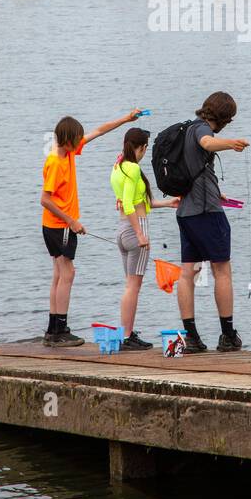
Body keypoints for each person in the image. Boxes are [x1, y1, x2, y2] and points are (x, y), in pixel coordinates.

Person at [41, 107, 143, 347]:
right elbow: (45, 199)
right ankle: (60, 330)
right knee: (68, 273)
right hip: (59, 226)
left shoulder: (68, 152)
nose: (81, 143)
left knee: (59, 273)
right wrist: (71, 221)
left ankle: (53, 328)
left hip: (55, 226)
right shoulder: (56, 162)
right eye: (77, 139)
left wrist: (126, 119)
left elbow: (99, 130)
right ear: (67, 140)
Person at [175, 91, 249, 354]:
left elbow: (197, 167)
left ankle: (191, 336)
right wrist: (232, 144)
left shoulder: (186, 128)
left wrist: (216, 191)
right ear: (226, 117)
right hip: (206, 212)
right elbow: (207, 143)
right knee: (222, 271)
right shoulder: (203, 130)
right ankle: (228, 335)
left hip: (186, 212)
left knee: (187, 273)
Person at [111, 127, 179, 350]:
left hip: (122, 229)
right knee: (133, 287)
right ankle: (127, 335)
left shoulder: (118, 166)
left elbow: (137, 202)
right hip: (135, 229)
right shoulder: (132, 168)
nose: (144, 153)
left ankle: (126, 334)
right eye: (145, 148)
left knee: (129, 285)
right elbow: (131, 205)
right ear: (140, 148)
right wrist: (140, 234)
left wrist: (167, 203)